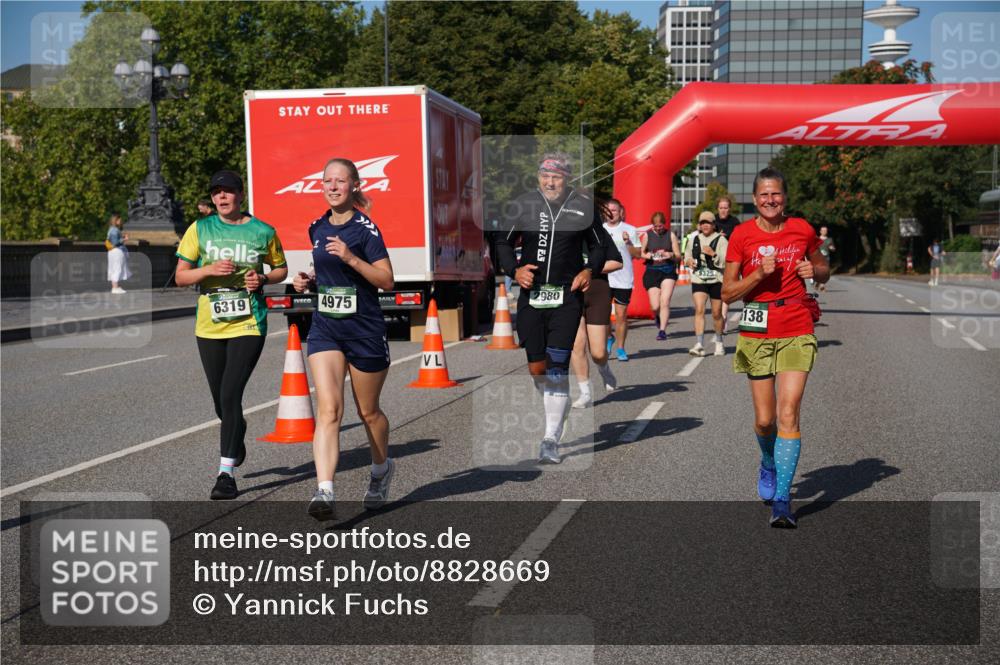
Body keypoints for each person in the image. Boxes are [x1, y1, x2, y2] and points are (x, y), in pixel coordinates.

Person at [722, 167, 829, 528]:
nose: (771, 200)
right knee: (765, 420)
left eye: (777, 194)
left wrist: (815, 272)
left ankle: (782, 501)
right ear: (754, 200)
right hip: (756, 329)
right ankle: (768, 461)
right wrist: (757, 276)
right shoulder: (741, 235)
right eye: (764, 195)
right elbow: (727, 292)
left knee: (788, 412)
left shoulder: (802, 229)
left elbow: (823, 266)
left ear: (785, 198)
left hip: (797, 324)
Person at [292, 158, 396, 521]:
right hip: (327, 328)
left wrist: (352, 258)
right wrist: (309, 280)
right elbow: (326, 271)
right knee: (329, 409)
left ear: (354, 185)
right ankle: (325, 491)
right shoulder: (317, 227)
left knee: (368, 412)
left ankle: (382, 470)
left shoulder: (366, 230)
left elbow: (386, 280)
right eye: (326, 181)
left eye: (340, 181)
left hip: (365, 330)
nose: (332, 187)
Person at [175, 170, 288, 500]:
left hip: (248, 322)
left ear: (242, 194)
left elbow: (280, 268)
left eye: (228, 192)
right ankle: (236, 431)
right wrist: (208, 270)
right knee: (221, 402)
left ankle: (226, 474)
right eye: (216, 193)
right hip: (209, 323)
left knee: (230, 393)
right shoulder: (200, 228)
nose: (222, 198)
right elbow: (181, 277)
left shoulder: (263, 231)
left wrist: (263, 280)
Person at [496, 153, 606, 464]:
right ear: (538, 177)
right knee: (537, 369)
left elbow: (599, 246)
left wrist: (588, 271)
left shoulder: (582, 207)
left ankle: (550, 438)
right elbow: (502, 243)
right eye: (545, 175)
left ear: (567, 178)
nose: (550, 181)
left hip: (566, 297)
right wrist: (514, 270)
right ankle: (558, 405)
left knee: (558, 364)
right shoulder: (523, 205)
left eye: (556, 176)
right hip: (532, 296)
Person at [571, 211, 623, 409]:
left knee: (598, 351)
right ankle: (585, 392)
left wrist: (589, 269)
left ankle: (603, 367)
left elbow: (618, 261)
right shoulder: (562, 234)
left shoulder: (599, 234)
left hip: (597, 291)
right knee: (577, 345)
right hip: (572, 294)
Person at [684, 211, 728, 357]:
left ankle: (719, 341)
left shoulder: (721, 240)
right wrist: (688, 261)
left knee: (716, 314)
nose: (705, 225)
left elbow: (726, 261)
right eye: (703, 223)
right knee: (699, 309)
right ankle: (699, 344)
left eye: (708, 223)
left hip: (717, 280)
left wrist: (713, 254)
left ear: (713, 225)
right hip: (699, 279)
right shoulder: (694, 239)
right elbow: (687, 255)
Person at [603, 199, 641, 361]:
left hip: (623, 278)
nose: (611, 213)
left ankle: (620, 348)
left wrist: (628, 242)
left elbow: (637, 254)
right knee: (602, 316)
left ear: (621, 212)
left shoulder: (630, 230)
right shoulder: (599, 229)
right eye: (608, 210)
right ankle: (609, 337)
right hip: (603, 278)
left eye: (615, 210)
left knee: (621, 315)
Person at [639, 212, 681, 340]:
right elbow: (642, 253)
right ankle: (657, 316)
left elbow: (678, 255)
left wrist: (670, 255)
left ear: (664, 224)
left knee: (665, 301)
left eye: (660, 226)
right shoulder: (647, 235)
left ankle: (662, 331)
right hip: (652, 270)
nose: (658, 228)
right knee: (655, 306)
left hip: (668, 270)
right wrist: (650, 256)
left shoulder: (671, 235)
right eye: (655, 226)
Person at [715, 197, 740, 328]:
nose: (723, 210)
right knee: (715, 293)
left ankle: (723, 319)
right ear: (717, 209)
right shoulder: (712, 221)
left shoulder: (735, 222)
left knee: (725, 291)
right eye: (721, 208)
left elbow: (739, 240)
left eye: (726, 208)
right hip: (713, 261)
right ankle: (719, 316)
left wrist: (727, 237)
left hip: (729, 261)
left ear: (729, 209)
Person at [106, 212, 131, 294]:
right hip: (116, 251)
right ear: (116, 220)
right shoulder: (114, 230)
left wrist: (122, 238)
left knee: (115, 268)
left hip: (113, 251)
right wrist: (124, 239)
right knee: (117, 268)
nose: (121, 221)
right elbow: (115, 242)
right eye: (119, 219)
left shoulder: (112, 229)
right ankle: (115, 287)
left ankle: (115, 286)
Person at [816, 225, 835, 292]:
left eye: (825, 231)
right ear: (820, 231)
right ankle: (818, 282)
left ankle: (822, 285)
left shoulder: (829, 240)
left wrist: (832, 248)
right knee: (819, 271)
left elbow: (833, 248)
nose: (824, 232)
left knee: (825, 271)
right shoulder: (816, 239)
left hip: (826, 257)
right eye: (823, 230)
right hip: (817, 257)